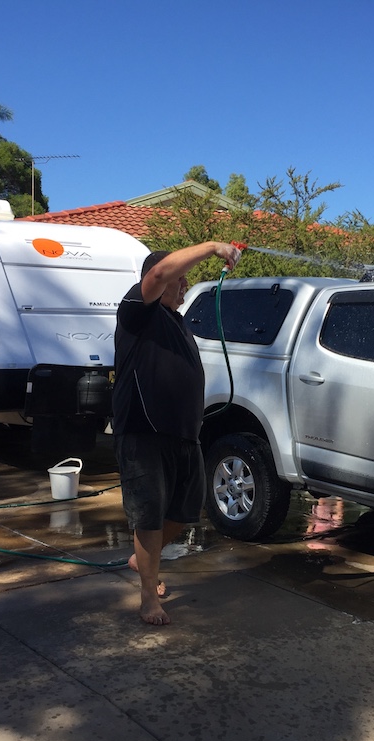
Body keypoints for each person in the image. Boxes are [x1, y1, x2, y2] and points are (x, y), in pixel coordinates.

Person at [112, 241, 242, 625]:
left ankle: (142, 559)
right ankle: (148, 598)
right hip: (144, 431)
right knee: (149, 515)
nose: (185, 284)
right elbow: (159, 272)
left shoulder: (176, 320)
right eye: (180, 278)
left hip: (184, 434)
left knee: (185, 513)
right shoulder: (137, 312)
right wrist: (213, 247)